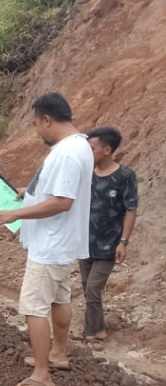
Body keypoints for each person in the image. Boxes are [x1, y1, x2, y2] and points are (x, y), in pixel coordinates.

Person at [0, 92, 93, 386]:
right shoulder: (79, 146)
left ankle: (41, 375)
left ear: (47, 119)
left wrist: (15, 213)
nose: (37, 132)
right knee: (60, 299)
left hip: (50, 245)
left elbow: (62, 201)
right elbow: (56, 192)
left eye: (36, 125)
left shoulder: (67, 153)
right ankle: (58, 354)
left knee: (34, 307)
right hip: (60, 243)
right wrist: (29, 192)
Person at [76, 126, 138, 351]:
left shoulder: (125, 176)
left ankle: (90, 332)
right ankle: (98, 328)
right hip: (85, 242)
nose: (88, 153)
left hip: (110, 245)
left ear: (107, 149)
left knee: (93, 288)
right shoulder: (87, 173)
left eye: (91, 148)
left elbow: (131, 209)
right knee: (86, 286)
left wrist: (123, 241)